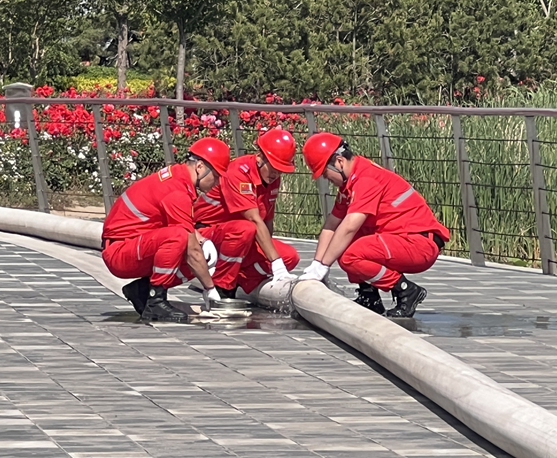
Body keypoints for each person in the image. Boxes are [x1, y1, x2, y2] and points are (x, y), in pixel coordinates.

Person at [299, 132, 450, 317]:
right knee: (343, 243)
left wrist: (324, 266)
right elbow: (332, 225)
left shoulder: (365, 179)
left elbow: (349, 226)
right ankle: (369, 297)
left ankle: (405, 290)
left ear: (339, 162)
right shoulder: (351, 183)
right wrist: (316, 264)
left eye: (324, 173)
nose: (325, 179)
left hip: (419, 244)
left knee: (350, 255)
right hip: (405, 239)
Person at [101, 138, 231, 323]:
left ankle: (142, 291)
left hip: (129, 245)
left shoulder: (177, 179)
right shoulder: (176, 191)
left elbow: (183, 225)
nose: (216, 183)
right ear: (200, 167)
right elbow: (189, 246)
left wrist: (203, 241)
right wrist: (210, 289)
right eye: (216, 176)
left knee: (196, 252)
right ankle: (156, 301)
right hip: (120, 252)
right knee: (181, 239)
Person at [193, 128, 300, 298]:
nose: (276, 173)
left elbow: (267, 221)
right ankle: (221, 287)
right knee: (245, 229)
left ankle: (240, 281)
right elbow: (254, 220)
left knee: (290, 257)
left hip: (241, 238)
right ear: (259, 157)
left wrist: (275, 259)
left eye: (281, 169)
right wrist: (275, 263)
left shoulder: (271, 178)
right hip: (207, 235)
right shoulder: (238, 172)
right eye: (274, 167)